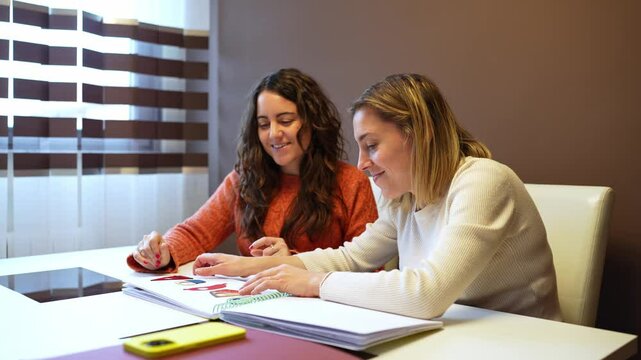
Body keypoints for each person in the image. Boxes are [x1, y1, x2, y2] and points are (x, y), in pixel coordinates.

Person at [191, 73, 562, 321]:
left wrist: (313, 283)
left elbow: (426, 294)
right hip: (455, 335)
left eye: (371, 146)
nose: (361, 164)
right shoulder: (403, 197)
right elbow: (353, 256)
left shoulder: (483, 181)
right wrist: (258, 268)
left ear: (419, 136)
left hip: (525, 344)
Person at [128, 68, 378, 273]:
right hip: (252, 306)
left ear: (313, 122)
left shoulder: (350, 182)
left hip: (323, 312)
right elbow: (196, 232)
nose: (273, 134)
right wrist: (162, 251)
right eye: (263, 124)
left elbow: (368, 267)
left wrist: (291, 260)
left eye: (286, 121)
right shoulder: (244, 179)